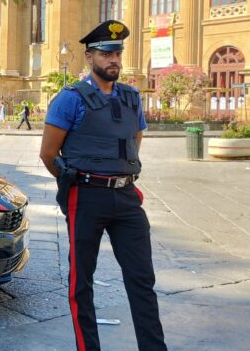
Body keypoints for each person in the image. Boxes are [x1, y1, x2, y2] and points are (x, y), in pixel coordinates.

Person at [39, 20, 166, 351]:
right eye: (106, 53)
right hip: (85, 196)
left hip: (125, 197)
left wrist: (116, 173)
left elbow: (134, 141)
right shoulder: (70, 99)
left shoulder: (131, 97)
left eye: (118, 53)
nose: (114, 60)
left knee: (142, 280)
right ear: (89, 57)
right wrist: (77, 182)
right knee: (81, 283)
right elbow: (49, 154)